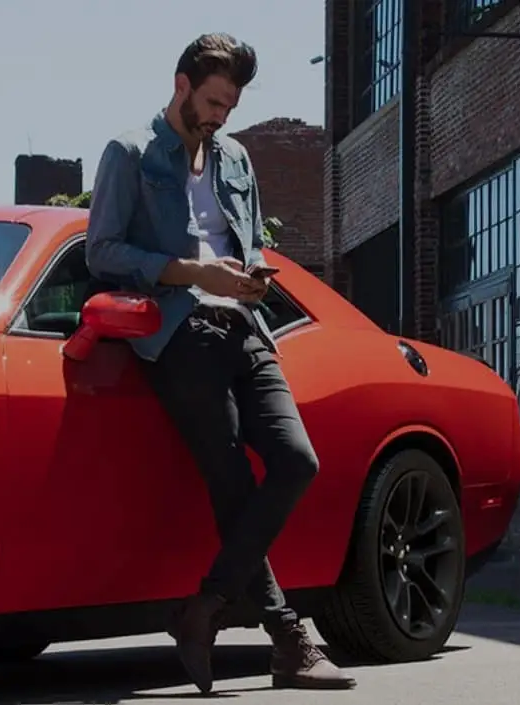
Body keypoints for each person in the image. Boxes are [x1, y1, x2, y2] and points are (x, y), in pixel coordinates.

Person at [82, 32, 356, 694]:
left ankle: (203, 606)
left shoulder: (235, 157)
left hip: (244, 323)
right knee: (230, 477)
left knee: (297, 461)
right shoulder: (130, 153)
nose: (220, 116)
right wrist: (190, 270)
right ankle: (289, 638)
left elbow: (250, 236)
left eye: (229, 105)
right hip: (178, 330)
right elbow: (103, 251)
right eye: (211, 101)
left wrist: (253, 274)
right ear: (181, 85)